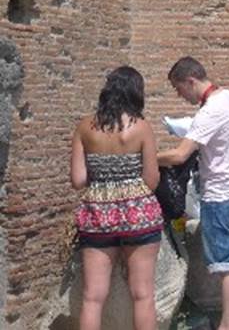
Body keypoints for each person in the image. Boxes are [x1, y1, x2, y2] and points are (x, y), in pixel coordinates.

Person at [158, 57, 229, 330]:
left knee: (227, 265)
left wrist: (147, 157)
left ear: (191, 81)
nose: (180, 95)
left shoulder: (210, 111)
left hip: (222, 194)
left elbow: (179, 155)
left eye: (179, 89)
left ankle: (228, 325)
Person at [71, 65, 162, 330]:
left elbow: (77, 180)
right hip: (139, 215)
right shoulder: (141, 127)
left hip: (97, 215)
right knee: (143, 295)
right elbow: (152, 180)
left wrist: (104, 180)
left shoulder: (84, 127)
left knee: (93, 297)